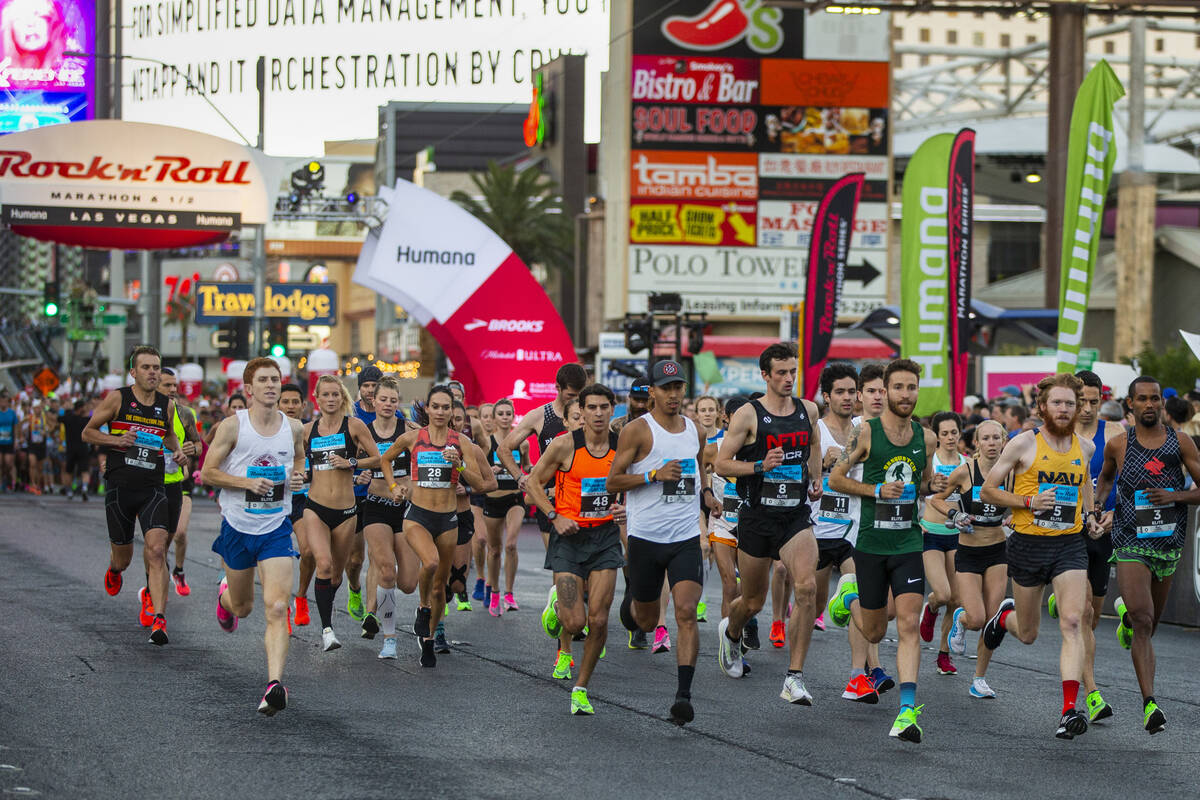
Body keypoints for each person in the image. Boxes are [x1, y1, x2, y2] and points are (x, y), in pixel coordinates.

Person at [977, 373, 1103, 740]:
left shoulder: (1086, 448)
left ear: (1078, 407)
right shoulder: (1022, 444)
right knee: (1029, 633)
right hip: (1028, 544)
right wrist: (1028, 501)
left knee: (1072, 623)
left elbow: (1084, 486)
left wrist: (1091, 517)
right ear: (1043, 407)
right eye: (1057, 403)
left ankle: (1068, 710)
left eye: (1070, 403)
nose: (1064, 409)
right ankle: (1005, 620)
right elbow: (987, 491)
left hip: (1069, 545)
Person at [826, 358, 944, 743]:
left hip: (909, 541)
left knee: (909, 625)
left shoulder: (926, 439)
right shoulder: (865, 434)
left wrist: (934, 486)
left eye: (912, 388)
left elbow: (923, 484)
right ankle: (850, 596)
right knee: (875, 632)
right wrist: (876, 490)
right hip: (870, 544)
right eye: (898, 388)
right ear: (886, 391)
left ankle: (907, 712)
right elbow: (836, 479)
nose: (906, 394)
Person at [608, 360, 721, 725]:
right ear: (652, 392)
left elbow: (699, 465)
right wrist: (654, 474)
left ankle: (683, 697)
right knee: (643, 619)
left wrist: (706, 493)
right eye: (666, 388)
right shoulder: (637, 431)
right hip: (646, 538)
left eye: (679, 387)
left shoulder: (694, 430)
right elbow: (614, 481)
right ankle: (633, 605)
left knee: (686, 611)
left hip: (685, 536)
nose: (673, 394)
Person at [714, 342, 823, 706]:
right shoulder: (748, 414)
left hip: (794, 516)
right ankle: (730, 633)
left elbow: (814, 447)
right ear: (765, 375)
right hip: (757, 518)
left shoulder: (808, 409)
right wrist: (761, 466)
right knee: (753, 601)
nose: (789, 378)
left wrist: (817, 479)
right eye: (781, 372)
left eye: (793, 371)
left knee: (805, 588)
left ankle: (794, 678)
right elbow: (721, 464)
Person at [199, 357, 307, 715]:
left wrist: (297, 477)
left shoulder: (293, 428)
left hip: (276, 527)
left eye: (275, 379)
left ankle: (275, 684)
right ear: (249, 389)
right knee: (243, 607)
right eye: (263, 380)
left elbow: (300, 461)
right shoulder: (232, 427)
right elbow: (208, 473)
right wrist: (246, 482)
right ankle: (224, 598)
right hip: (237, 528)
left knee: (277, 607)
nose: (272, 385)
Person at [1096, 376, 1200, 734]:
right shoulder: (1118, 444)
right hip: (1129, 540)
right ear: (1131, 405)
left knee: (1149, 624)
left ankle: (1128, 620)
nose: (1150, 404)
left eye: (1155, 398)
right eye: (1142, 399)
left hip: (1168, 544)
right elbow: (1106, 479)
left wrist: (1176, 496)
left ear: (1162, 404)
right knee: (1143, 619)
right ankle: (1149, 703)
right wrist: (1098, 504)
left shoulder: (1179, 443)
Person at [529, 384, 625, 714]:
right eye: (592, 408)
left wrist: (626, 509)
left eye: (604, 407)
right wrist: (553, 516)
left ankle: (580, 688)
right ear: (580, 412)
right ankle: (558, 608)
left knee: (598, 621)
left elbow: (635, 484)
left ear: (613, 409)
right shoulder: (564, 445)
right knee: (574, 623)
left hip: (605, 538)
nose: (598, 413)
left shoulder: (622, 447)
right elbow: (532, 483)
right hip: (568, 539)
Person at [379, 385, 490, 667]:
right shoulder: (413, 438)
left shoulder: (461, 443)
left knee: (440, 587)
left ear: (452, 411)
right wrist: (394, 486)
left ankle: (428, 640)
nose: (440, 412)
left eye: (445, 407)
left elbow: (480, 485)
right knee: (429, 563)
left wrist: (461, 465)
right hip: (417, 516)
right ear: (427, 409)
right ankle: (422, 608)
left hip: (447, 519)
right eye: (435, 406)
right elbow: (385, 459)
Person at [82, 345, 186, 645]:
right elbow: (87, 432)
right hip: (120, 490)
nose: (152, 372)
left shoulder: (166, 404)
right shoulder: (118, 398)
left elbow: (168, 434)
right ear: (133, 372)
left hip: (153, 489)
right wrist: (115, 440)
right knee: (124, 559)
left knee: (157, 550)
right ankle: (115, 570)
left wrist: (177, 451)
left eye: (156, 367)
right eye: (146, 368)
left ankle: (159, 619)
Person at [1044, 369, 1122, 723]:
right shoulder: (1057, 435)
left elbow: (1129, 482)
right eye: (1083, 401)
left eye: (1094, 401)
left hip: (1102, 531)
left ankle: (1060, 599)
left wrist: (1113, 515)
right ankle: (1091, 692)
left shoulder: (1116, 434)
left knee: (1092, 620)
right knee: (1085, 613)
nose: (1088, 408)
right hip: (1068, 532)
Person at [810, 363, 879, 703]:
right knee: (813, 604)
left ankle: (861, 675)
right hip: (817, 529)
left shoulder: (863, 429)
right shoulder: (816, 431)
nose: (849, 398)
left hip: (852, 529)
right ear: (827, 396)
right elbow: (799, 473)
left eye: (853, 391)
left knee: (863, 598)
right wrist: (824, 463)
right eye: (841, 392)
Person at [303, 375, 378, 652]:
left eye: (336, 394)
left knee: (336, 575)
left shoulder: (354, 426)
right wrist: (299, 474)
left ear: (342, 397)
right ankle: (327, 630)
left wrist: (352, 463)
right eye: (326, 395)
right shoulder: (307, 430)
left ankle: (331, 599)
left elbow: (379, 457)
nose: (331, 399)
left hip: (347, 511)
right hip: (316, 508)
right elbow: (299, 461)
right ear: (317, 398)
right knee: (322, 564)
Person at [936, 419, 1010, 699]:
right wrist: (954, 514)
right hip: (968, 551)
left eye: (996, 438)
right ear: (977, 443)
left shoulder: (1011, 472)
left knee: (992, 620)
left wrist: (1013, 516)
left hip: (997, 551)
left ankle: (979, 679)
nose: (991, 443)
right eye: (986, 438)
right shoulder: (966, 471)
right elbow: (936, 499)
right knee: (977, 619)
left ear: (1004, 441)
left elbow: (1018, 501)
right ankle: (961, 618)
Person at [359, 376, 421, 658]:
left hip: (405, 509)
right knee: (386, 569)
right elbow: (351, 464)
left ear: (398, 403)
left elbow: (425, 462)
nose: (387, 404)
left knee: (408, 583)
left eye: (393, 400)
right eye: (383, 399)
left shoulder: (409, 430)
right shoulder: (364, 432)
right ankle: (389, 638)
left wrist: (411, 489)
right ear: (374, 401)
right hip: (375, 506)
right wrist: (358, 475)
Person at [499, 363, 588, 545]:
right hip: (550, 499)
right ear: (557, 387)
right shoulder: (540, 416)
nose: (576, 399)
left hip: (582, 496)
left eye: (580, 394)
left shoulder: (590, 415)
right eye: (571, 395)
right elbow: (504, 449)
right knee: (558, 565)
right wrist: (519, 478)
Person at [918, 411, 969, 676]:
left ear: (960, 433)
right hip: (931, 533)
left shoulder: (966, 464)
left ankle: (943, 655)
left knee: (956, 599)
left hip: (958, 536)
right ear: (936, 435)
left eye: (954, 432)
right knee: (944, 594)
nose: (950, 437)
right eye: (945, 433)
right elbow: (917, 491)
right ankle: (931, 605)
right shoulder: (931, 461)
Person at [158, 368, 203, 597]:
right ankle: (155, 584)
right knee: (158, 542)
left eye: (175, 385)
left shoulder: (185, 413)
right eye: (167, 385)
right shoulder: (145, 413)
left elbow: (198, 445)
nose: (173, 390)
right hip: (152, 484)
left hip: (180, 483)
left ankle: (178, 570)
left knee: (180, 533)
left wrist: (190, 449)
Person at [483, 398, 530, 615]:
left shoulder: (522, 442)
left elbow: (527, 466)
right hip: (493, 499)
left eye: (508, 413)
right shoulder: (486, 442)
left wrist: (533, 472)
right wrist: (489, 471)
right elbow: (478, 468)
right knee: (494, 550)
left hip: (514, 498)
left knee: (510, 544)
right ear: (494, 418)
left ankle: (509, 594)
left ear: (513, 416)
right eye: (500, 413)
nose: (504, 417)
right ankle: (494, 592)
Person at [346, 365, 383, 623]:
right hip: (354, 491)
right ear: (359, 387)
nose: (370, 390)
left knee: (377, 556)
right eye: (366, 386)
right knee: (356, 558)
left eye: (374, 386)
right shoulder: (350, 414)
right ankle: (354, 589)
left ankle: (372, 610)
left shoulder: (389, 413)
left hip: (381, 493)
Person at [278, 383, 315, 626]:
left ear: (303, 405)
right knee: (279, 559)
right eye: (286, 402)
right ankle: (282, 609)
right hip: (276, 502)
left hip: (302, 500)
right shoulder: (271, 431)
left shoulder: (312, 433)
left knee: (309, 551)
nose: (291, 406)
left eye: (295, 402)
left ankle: (300, 597)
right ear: (278, 404)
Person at [61, 398, 91, 501]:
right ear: (81, 408)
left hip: (70, 449)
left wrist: (66, 409)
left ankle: (69, 491)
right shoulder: (86, 420)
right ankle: (84, 488)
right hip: (83, 448)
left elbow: (57, 418)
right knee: (85, 470)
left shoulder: (68, 418)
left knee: (69, 471)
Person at [0, 392, 16, 491]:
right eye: (1, 401)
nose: (3, 403)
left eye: (5, 402)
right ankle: (1, 481)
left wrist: (16, 440)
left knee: (8, 463)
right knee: (0, 463)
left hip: (9, 441)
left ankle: (5, 477)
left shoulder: (12, 413)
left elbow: (15, 427)